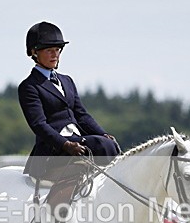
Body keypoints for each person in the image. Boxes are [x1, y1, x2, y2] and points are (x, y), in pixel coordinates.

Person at [18, 21, 120, 181]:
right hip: (55, 146)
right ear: (34, 52)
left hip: (77, 139)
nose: (55, 55)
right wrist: (65, 145)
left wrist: (103, 133)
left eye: (57, 50)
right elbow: (39, 125)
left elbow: (82, 115)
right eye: (49, 51)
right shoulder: (29, 86)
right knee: (100, 145)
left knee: (109, 144)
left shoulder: (67, 81)